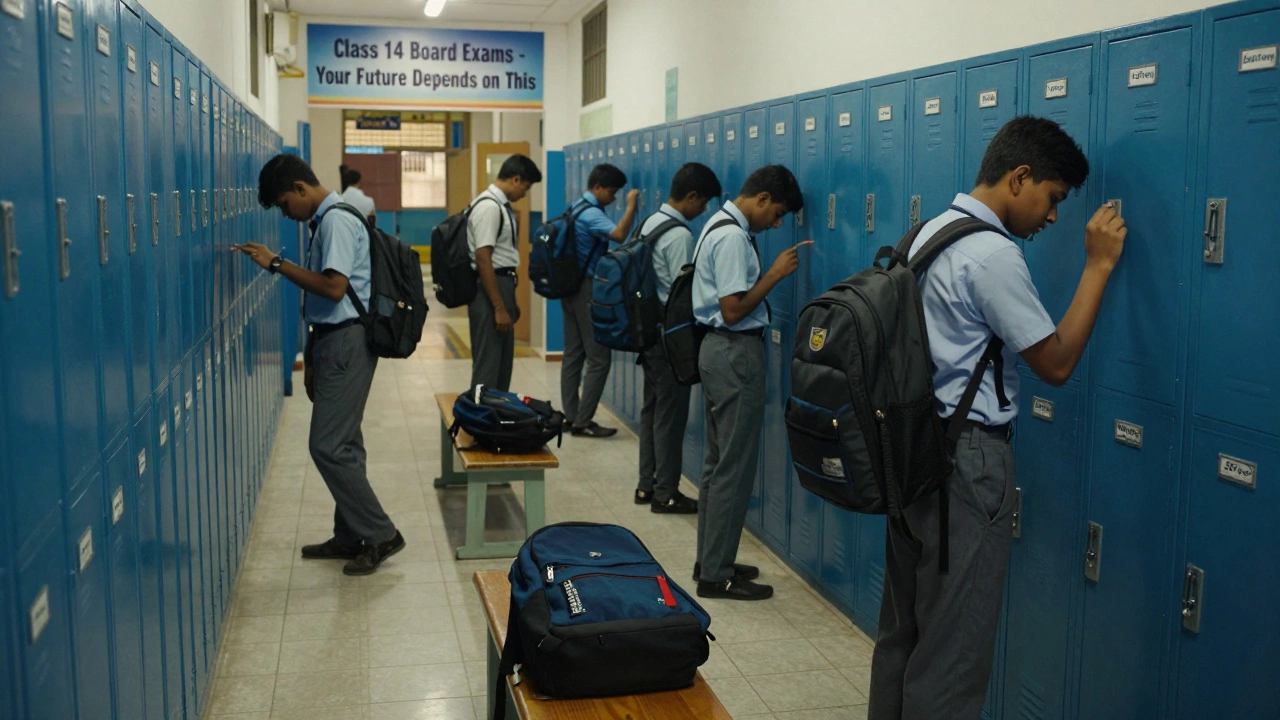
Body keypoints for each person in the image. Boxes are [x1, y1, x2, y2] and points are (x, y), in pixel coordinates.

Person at [867, 116, 1126, 719]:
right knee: (953, 655)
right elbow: (1055, 363)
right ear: (1020, 177)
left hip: (911, 450)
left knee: (902, 634)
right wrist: (1097, 267)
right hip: (966, 463)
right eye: (1053, 198)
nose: (1054, 216)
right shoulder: (991, 255)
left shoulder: (928, 230)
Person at [236, 154, 405, 576]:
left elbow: (333, 288)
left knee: (326, 445)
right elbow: (321, 305)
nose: (284, 212)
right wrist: (311, 356)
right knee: (345, 443)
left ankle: (381, 534)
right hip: (331, 341)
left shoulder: (337, 222)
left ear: (299, 188)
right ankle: (350, 535)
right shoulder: (323, 222)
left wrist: (277, 264)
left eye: (282, 204)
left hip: (348, 342)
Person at [692, 165, 807, 601]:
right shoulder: (732, 238)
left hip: (720, 352)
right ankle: (715, 574)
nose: (775, 223)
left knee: (719, 464)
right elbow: (734, 309)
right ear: (760, 199)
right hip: (733, 352)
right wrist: (775, 274)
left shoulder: (716, 226)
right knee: (732, 468)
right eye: (776, 213)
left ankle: (712, 559)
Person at [634, 162, 722, 514]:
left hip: (647, 333)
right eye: (702, 205)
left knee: (651, 409)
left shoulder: (649, 222)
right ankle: (666, 493)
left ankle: (646, 485)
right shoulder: (680, 235)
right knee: (670, 417)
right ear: (691, 197)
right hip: (670, 340)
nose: (703, 212)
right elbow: (683, 294)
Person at [561, 163, 640, 438]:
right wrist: (631, 206)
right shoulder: (591, 213)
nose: (615, 197)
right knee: (599, 357)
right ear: (597, 187)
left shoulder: (575, 207)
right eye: (613, 191)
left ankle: (571, 416)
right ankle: (582, 422)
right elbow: (619, 236)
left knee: (573, 354)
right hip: (586, 289)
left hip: (569, 287)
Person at [468, 154, 542, 392]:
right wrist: (499, 307)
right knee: (488, 366)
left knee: (501, 365)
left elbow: (503, 260)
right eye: (526, 188)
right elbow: (483, 257)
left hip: (501, 287)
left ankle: (496, 418)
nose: (525, 194)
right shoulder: (489, 207)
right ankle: (480, 422)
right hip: (489, 291)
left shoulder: (501, 207)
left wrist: (511, 301)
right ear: (515, 179)